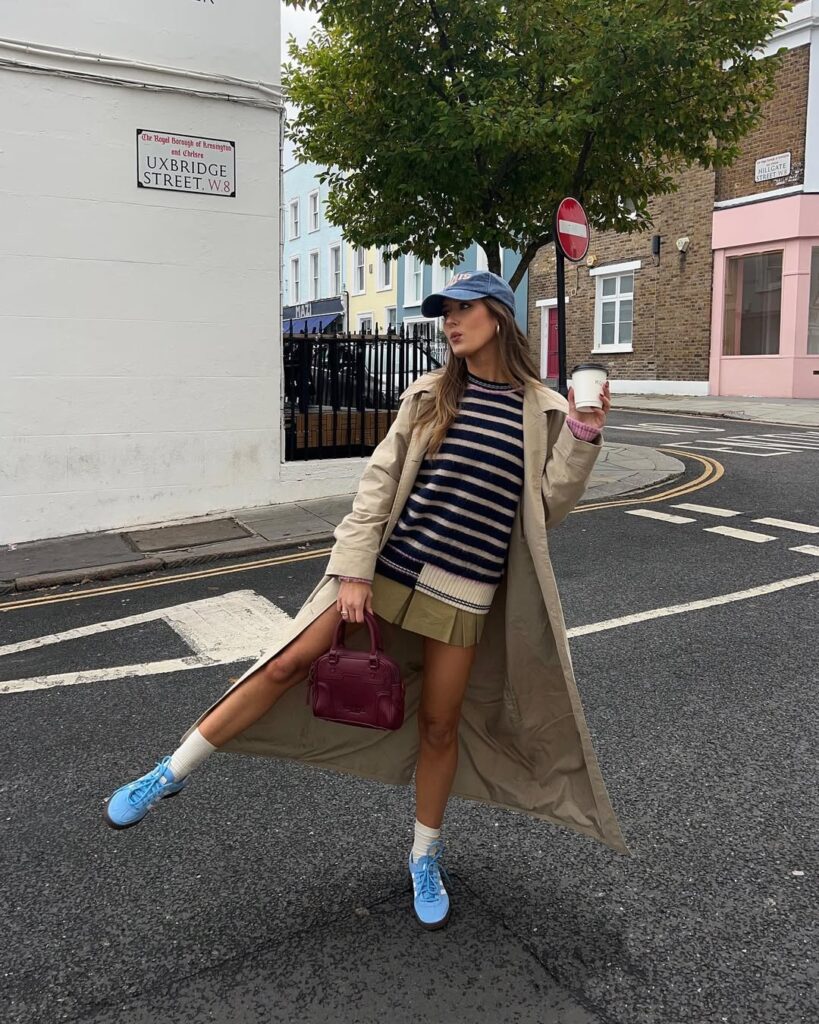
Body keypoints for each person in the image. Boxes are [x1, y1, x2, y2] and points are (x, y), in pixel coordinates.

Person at [104, 270, 620, 931]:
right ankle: (168, 773)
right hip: (383, 576)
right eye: (444, 314)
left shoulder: (543, 409)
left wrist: (582, 437)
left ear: (497, 315)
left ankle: (423, 857)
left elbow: (542, 514)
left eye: (461, 311)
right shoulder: (431, 395)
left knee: (439, 726)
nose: (448, 323)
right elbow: (375, 491)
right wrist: (351, 572)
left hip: (465, 595)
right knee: (286, 663)